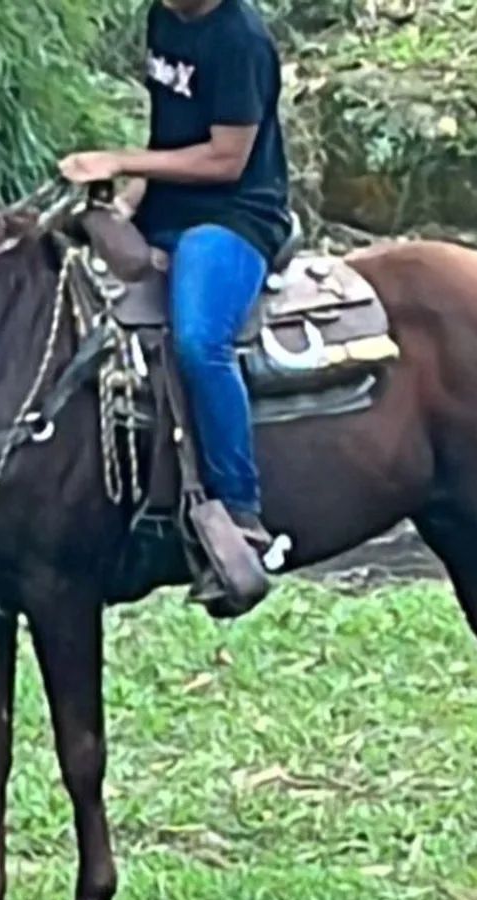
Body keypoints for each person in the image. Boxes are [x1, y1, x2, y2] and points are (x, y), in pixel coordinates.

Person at [59, 0, 293, 573]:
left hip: (235, 216)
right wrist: (127, 197)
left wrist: (117, 158)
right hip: (167, 205)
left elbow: (227, 159)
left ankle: (240, 512)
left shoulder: (241, 39)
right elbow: (168, 132)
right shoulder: (163, 17)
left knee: (199, 340)